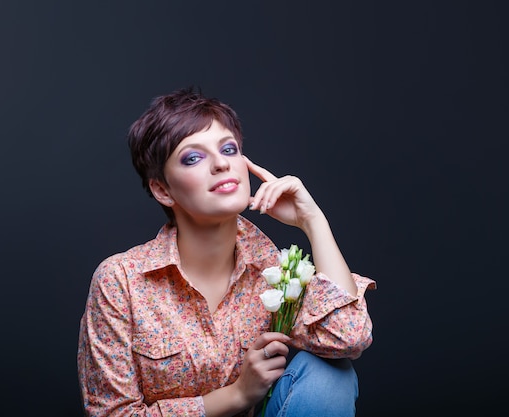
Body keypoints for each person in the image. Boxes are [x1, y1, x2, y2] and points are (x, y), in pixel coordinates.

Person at [77, 87, 376, 417]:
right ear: (162, 189)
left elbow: (348, 339)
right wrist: (236, 395)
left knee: (330, 375)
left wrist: (313, 221)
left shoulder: (275, 274)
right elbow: (111, 414)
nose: (221, 164)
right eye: (193, 157)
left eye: (229, 149)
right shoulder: (121, 281)